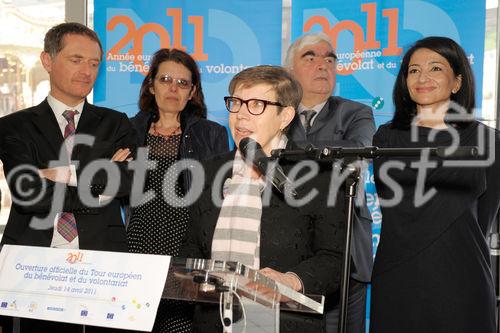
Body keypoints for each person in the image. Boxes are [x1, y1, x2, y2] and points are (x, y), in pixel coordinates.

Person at [180, 65, 346, 332]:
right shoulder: (209, 170)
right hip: (213, 319)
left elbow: (335, 257)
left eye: (256, 104)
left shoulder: (317, 174)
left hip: (284, 320)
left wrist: (292, 281)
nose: (241, 115)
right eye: (235, 103)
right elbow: (192, 245)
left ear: (285, 116)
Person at [0, 23, 137, 333]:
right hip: (32, 265)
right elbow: (28, 193)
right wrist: (101, 178)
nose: (87, 71)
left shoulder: (116, 123)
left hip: (101, 265)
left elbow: (129, 182)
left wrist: (60, 173)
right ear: (47, 60)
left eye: (94, 63)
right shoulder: (13, 127)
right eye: (76, 60)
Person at [370, 36, 500, 332]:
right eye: (413, 71)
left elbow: (484, 218)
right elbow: (395, 206)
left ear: (457, 82)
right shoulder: (386, 138)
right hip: (398, 276)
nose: (422, 78)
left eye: (435, 69)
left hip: (463, 277)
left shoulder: (489, 141)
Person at [126, 48, 229, 332]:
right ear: (151, 84)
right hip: (138, 248)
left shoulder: (211, 134)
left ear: (193, 91)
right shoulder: (128, 131)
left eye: (182, 83)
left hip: (185, 251)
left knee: (178, 327)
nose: (173, 88)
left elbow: (218, 200)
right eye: (165, 79)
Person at [285, 32, 375, 332]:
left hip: (346, 252)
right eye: (310, 57)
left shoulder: (357, 112)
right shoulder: (275, 113)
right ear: (289, 70)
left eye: (330, 58)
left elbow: (357, 156)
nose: (323, 64)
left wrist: (290, 156)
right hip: (287, 253)